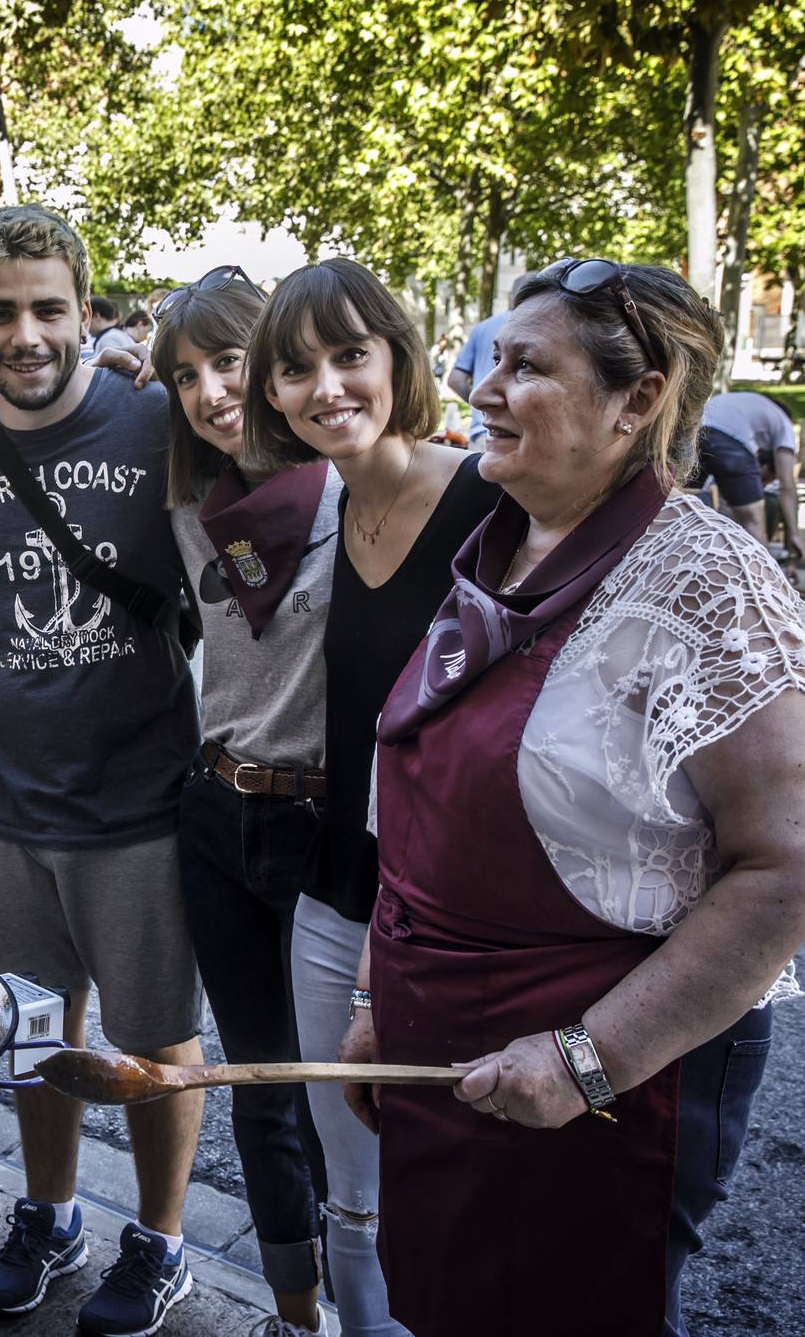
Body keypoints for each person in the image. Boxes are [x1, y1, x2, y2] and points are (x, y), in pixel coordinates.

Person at [339, 259, 805, 1337]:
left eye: (526, 368)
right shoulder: (504, 544)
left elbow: (804, 860)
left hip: (605, 1086)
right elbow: (419, 818)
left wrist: (591, 1063)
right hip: (446, 1051)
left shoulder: (713, 587)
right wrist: (369, 1000)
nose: (482, 388)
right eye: (489, 359)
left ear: (639, 399)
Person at [0, 205, 204, 1337]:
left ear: (87, 308)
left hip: (138, 806)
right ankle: (50, 1213)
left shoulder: (159, 420)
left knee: (153, 1036)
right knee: (36, 1032)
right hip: (1, 808)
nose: (24, 333)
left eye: (46, 308)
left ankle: (164, 1240)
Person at [246, 257, 500, 1336]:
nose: (328, 387)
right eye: (297, 369)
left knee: (464, 1189)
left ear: (400, 358)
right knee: (351, 1191)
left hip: (455, 919)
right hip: (334, 892)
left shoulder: (490, 499)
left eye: (352, 355)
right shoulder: (320, 511)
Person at [151, 266, 342, 1337]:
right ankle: (294, 1313)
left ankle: (371, 1305)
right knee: (262, 1088)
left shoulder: (356, 489)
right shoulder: (193, 511)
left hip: (325, 829)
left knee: (337, 1095)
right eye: (186, 376)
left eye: (229, 362)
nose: (213, 393)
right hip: (218, 819)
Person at [695, 389, 805, 562]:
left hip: (693, 431)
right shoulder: (785, 424)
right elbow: (787, 486)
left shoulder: (751, 406)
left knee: (688, 505)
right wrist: (794, 534)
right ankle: (764, 583)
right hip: (727, 441)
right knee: (754, 522)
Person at [445, 276, 535, 449]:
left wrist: (484, 408)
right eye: (496, 359)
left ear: (511, 296)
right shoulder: (541, 329)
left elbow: (455, 380)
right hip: (518, 436)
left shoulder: (482, 328)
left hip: (482, 435)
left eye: (524, 366)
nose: (480, 397)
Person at [86, 294, 139, 359]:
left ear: (97, 316)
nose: (85, 323)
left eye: (87, 317)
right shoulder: (120, 334)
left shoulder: (107, 339)